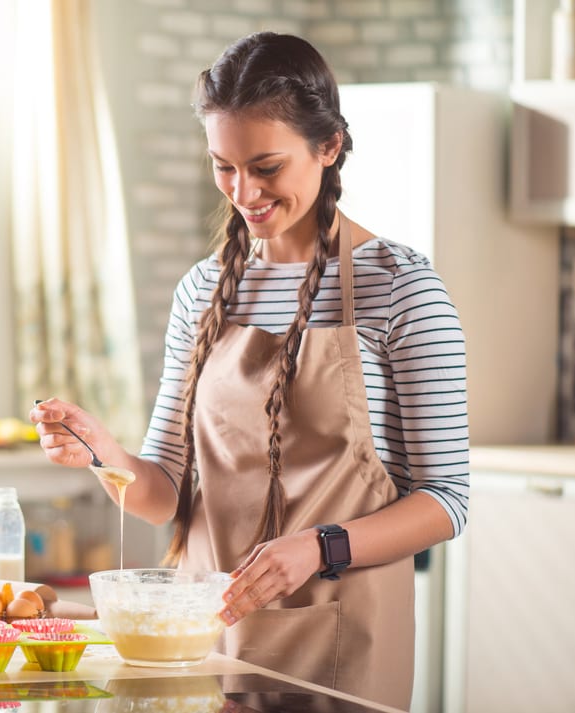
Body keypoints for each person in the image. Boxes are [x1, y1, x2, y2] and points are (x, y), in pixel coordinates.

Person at [30, 31, 468, 709]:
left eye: (266, 165)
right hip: (203, 640)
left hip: (344, 639)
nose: (244, 192)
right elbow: (163, 490)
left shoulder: (401, 288)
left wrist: (321, 546)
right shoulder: (201, 291)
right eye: (224, 167)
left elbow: (447, 500)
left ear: (329, 146)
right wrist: (103, 452)